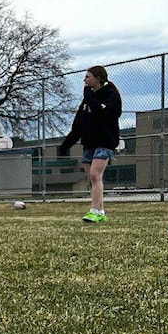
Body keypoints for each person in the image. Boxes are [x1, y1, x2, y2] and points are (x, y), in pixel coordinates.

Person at [59, 65, 122, 223]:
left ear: (98, 78)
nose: (84, 80)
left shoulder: (110, 95)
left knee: (95, 175)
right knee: (92, 179)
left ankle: (93, 210)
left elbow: (101, 113)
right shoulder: (87, 101)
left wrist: (88, 95)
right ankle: (101, 212)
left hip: (105, 142)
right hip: (89, 144)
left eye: (87, 77)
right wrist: (65, 146)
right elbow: (77, 126)